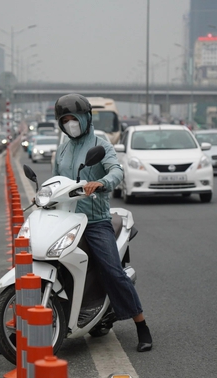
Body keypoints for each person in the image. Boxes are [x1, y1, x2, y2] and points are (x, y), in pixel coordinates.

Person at [53, 93, 153, 352]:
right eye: (65, 120)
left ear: (85, 119)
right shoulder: (62, 148)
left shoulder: (101, 145)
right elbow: (55, 180)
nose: (70, 124)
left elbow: (116, 170)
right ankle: (25, 324)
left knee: (111, 271)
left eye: (73, 118)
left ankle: (141, 324)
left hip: (95, 221)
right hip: (65, 219)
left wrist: (102, 183)